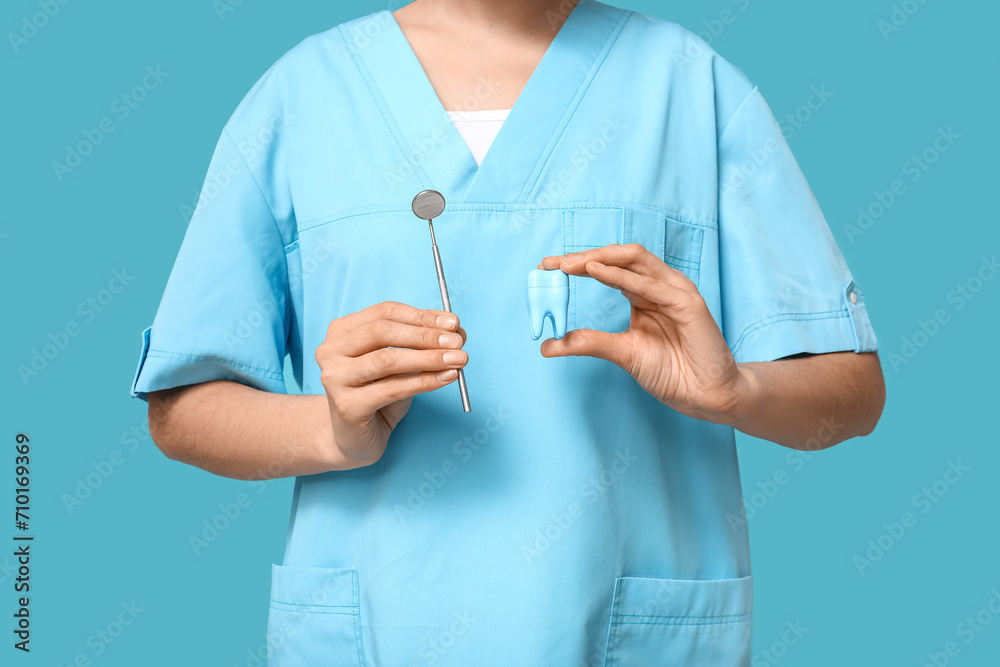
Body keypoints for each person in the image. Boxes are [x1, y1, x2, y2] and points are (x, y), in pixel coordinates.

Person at [131, 0, 885, 664]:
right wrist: (330, 430)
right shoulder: (300, 99)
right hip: (383, 629)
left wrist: (736, 390)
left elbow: (853, 394)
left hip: (625, 634)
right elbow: (184, 406)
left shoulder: (692, 88)